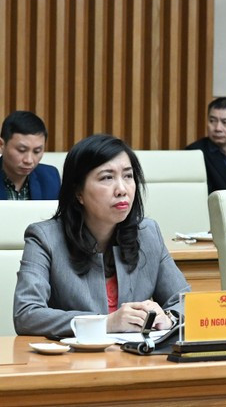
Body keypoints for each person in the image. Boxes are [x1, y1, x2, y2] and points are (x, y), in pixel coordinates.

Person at [14, 134, 191, 337]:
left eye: (128, 176)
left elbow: (186, 303)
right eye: (107, 177)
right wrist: (105, 322)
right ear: (78, 192)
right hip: (72, 363)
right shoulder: (45, 238)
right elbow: (26, 315)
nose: (122, 189)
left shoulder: (148, 233)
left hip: (137, 361)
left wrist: (168, 317)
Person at [0, 111, 60, 200]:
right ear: (2, 145)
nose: (29, 160)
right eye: (22, 150)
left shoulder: (50, 177)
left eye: (37, 151)